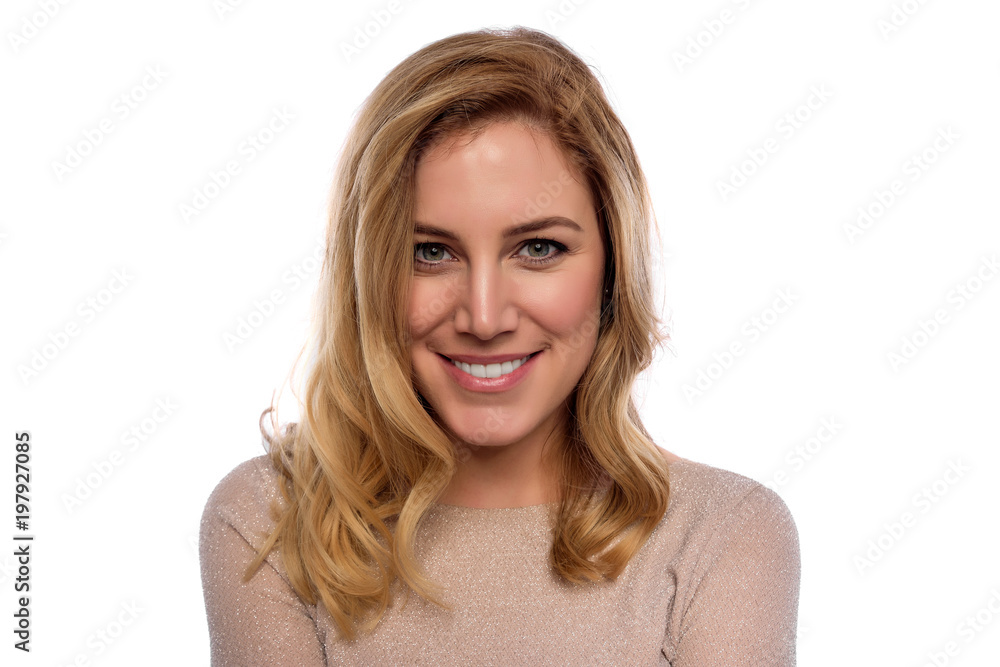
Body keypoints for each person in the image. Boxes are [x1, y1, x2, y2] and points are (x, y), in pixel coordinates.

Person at [199, 26, 800, 665]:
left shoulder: (723, 536)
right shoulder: (269, 523)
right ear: (367, 277)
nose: (484, 318)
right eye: (430, 253)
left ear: (613, 269)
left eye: (538, 248)